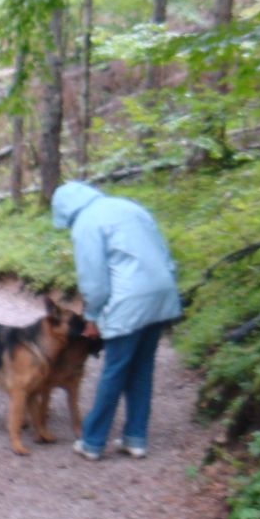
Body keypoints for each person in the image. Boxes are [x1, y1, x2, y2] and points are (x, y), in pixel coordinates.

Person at [50, 181, 182, 460]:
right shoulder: (129, 208)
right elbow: (165, 256)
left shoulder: (87, 223)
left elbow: (95, 282)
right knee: (142, 368)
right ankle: (135, 438)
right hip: (162, 293)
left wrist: (93, 316)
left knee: (115, 370)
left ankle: (93, 441)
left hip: (129, 301)